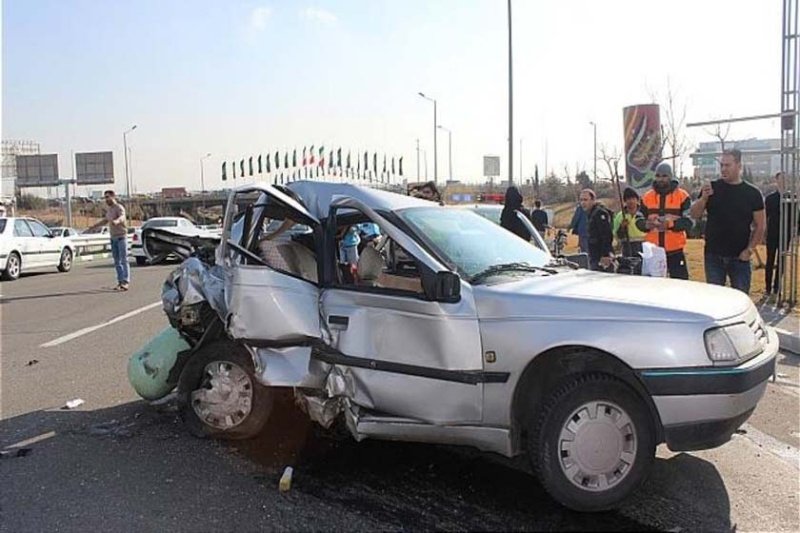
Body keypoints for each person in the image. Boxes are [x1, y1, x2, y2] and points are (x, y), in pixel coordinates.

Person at [689, 149, 765, 294]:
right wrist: (704, 198)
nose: (723, 169)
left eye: (727, 165)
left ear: (739, 166)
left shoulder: (752, 193)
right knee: (715, 300)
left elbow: (760, 226)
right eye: (722, 165)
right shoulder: (712, 188)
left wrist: (749, 250)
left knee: (741, 299)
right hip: (713, 255)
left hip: (740, 257)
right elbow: (694, 214)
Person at [635, 163, 693, 279]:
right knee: (653, 289)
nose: (660, 179)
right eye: (658, 176)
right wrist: (646, 224)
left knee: (680, 287)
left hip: (675, 251)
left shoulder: (682, 196)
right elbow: (638, 219)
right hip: (653, 252)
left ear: (671, 177)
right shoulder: (647, 197)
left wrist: (669, 224)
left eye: (664, 176)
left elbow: (689, 222)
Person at [764, 172, 799, 297]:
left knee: (782, 260)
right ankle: (768, 288)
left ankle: (777, 287)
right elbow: (764, 217)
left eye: (786, 179)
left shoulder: (792, 197)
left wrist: (796, 232)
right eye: (781, 179)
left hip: (786, 234)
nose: (783, 181)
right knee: (770, 259)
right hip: (772, 233)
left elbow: (796, 216)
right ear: (776, 180)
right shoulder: (770, 198)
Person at [87, 190, 129, 291]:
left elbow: (122, 217)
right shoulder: (109, 210)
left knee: (123, 260)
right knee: (116, 261)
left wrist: (116, 221)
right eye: (105, 197)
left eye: (108, 197)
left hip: (121, 237)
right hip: (113, 237)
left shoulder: (119, 207)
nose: (106, 199)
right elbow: (105, 220)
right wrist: (94, 226)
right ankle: (120, 282)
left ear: (113, 197)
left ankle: (125, 281)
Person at [581, 188, 614, 271]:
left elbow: (606, 234)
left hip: (601, 257)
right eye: (581, 200)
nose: (583, 203)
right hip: (594, 255)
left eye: (585, 200)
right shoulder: (591, 214)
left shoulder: (599, 213)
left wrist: (605, 254)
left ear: (593, 200)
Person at [613, 187, 647, 257]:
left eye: (633, 198)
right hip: (627, 248)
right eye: (628, 199)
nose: (631, 201)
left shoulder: (644, 213)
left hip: (644, 247)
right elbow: (617, 235)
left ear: (637, 200)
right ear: (625, 201)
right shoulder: (620, 216)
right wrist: (622, 227)